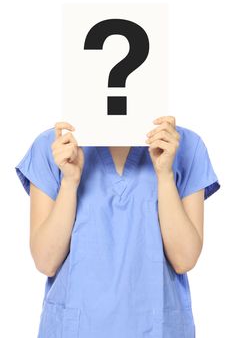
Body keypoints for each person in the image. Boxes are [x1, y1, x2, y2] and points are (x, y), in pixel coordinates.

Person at [15, 116, 221, 338]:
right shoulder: (54, 147)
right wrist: (69, 182)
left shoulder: (184, 146)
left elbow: (184, 259)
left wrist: (165, 175)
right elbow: (46, 262)